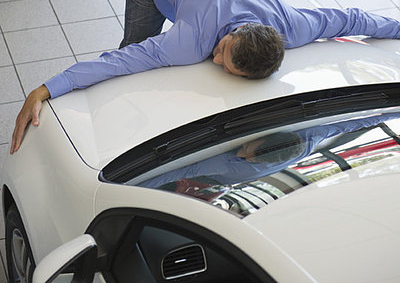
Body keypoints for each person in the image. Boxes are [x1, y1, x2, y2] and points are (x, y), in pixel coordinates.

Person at [10, 0, 400, 153]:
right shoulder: (189, 40)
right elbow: (118, 61)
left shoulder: (291, 25)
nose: (213, 59)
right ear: (235, 34)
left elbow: (353, 19)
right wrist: (45, 90)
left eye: (223, 65)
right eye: (222, 53)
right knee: (136, 43)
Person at [138, 112, 400, 189]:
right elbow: (355, 122)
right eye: (248, 147)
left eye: (246, 152)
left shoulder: (227, 164)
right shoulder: (310, 136)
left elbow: (173, 172)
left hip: (219, 178)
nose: (241, 151)